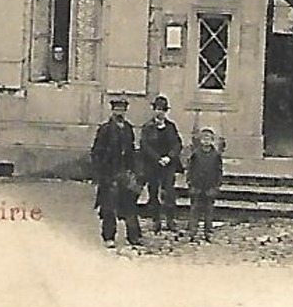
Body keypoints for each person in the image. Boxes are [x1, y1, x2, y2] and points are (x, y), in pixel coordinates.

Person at [89, 96, 142, 247]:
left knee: (129, 205)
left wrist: (133, 172)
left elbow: (131, 151)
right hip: (109, 173)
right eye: (117, 109)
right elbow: (96, 152)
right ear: (112, 111)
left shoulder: (128, 129)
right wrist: (100, 174)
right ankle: (109, 237)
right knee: (109, 207)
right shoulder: (105, 129)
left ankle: (133, 237)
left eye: (122, 110)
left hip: (125, 172)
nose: (120, 112)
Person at [138, 94, 184, 233]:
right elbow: (144, 146)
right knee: (153, 193)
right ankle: (156, 220)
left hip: (168, 165)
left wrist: (169, 157)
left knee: (169, 192)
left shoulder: (171, 126)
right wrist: (157, 158)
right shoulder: (147, 127)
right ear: (153, 110)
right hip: (153, 165)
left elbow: (177, 144)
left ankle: (170, 220)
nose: (160, 112)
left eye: (163, 109)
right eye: (157, 109)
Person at [186, 126, 224, 242]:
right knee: (194, 210)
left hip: (210, 186)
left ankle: (208, 232)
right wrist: (190, 184)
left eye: (209, 139)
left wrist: (216, 186)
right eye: (204, 138)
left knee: (209, 211)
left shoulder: (216, 155)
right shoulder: (195, 154)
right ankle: (192, 231)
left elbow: (219, 172)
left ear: (212, 140)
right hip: (197, 186)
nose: (206, 141)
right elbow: (190, 170)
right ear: (200, 140)